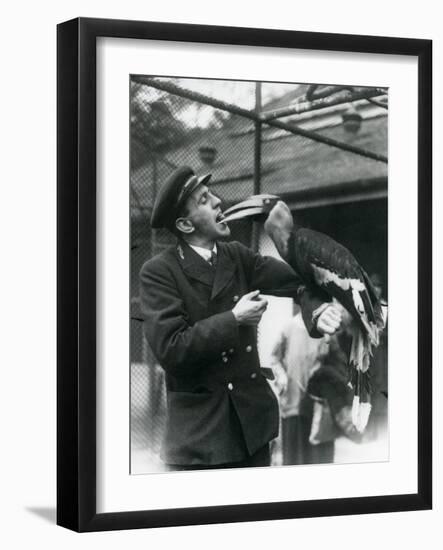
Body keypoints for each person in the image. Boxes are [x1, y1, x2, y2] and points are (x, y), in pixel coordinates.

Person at [139, 166, 343, 470]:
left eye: (212, 195)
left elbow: (299, 283)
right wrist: (233, 319)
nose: (219, 202)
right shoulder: (160, 272)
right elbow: (172, 349)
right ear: (184, 224)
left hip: (253, 429)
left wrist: (318, 310)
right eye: (205, 200)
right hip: (201, 437)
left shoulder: (236, 255)